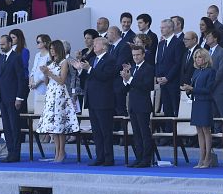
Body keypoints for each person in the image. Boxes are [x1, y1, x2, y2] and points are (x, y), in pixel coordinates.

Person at [74, 36, 115, 166]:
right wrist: (80, 69)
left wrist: (89, 69)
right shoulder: (92, 59)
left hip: (104, 100)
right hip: (92, 99)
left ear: (103, 46)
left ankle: (108, 158)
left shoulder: (110, 59)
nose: (94, 46)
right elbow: (86, 77)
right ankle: (99, 156)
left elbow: (105, 77)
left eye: (96, 44)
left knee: (105, 130)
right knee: (96, 131)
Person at [35, 39, 79, 163]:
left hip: (60, 94)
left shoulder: (64, 62)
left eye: (53, 49)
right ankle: (57, 152)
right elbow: (47, 82)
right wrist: (45, 73)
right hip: (51, 94)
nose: (52, 51)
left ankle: (61, 152)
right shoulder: (51, 62)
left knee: (60, 124)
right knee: (53, 125)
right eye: (50, 49)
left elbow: (61, 80)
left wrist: (49, 73)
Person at [181, 48, 216, 168]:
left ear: (205, 58)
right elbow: (193, 87)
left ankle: (208, 157)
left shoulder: (210, 71)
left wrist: (192, 89)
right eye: (196, 57)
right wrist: (188, 89)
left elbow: (208, 89)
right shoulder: (196, 71)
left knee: (206, 130)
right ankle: (201, 157)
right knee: (199, 130)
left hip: (205, 103)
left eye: (199, 57)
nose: (197, 59)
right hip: (196, 102)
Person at [121, 44, 154, 168]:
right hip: (133, 104)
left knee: (144, 133)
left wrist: (129, 79)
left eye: (138, 55)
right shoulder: (133, 68)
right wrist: (125, 79)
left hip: (143, 105)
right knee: (136, 133)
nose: (135, 57)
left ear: (143, 55)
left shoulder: (148, 68)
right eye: (134, 55)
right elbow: (128, 87)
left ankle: (146, 159)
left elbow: (146, 86)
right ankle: (138, 157)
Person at [0, 33, 28, 162]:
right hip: (3, 97)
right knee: (6, 126)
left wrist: (19, 97)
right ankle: (10, 152)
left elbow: (21, 79)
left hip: (13, 97)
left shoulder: (16, 58)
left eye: (3, 44)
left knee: (14, 126)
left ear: (10, 43)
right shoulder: (1, 58)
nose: (1, 47)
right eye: (0, 45)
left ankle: (16, 153)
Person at [155, 18, 183, 120]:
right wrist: (158, 76)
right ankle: (168, 129)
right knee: (166, 109)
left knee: (175, 108)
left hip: (173, 82)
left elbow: (177, 63)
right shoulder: (161, 43)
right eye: (161, 27)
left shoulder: (178, 43)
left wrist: (167, 77)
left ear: (171, 28)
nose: (161, 29)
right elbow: (158, 62)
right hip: (162, 82)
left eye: (163, 27)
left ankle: (175, 129)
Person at [29, 33, 51, 98]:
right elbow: (34, 69)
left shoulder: (49, 56)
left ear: (44, 43)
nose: (37, 44)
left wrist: (36, 83)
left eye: (38, 42)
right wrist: (31, 81)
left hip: (43, 85)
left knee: (41, 101)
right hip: (33, 85)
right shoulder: (37, 55)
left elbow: (46, 72)